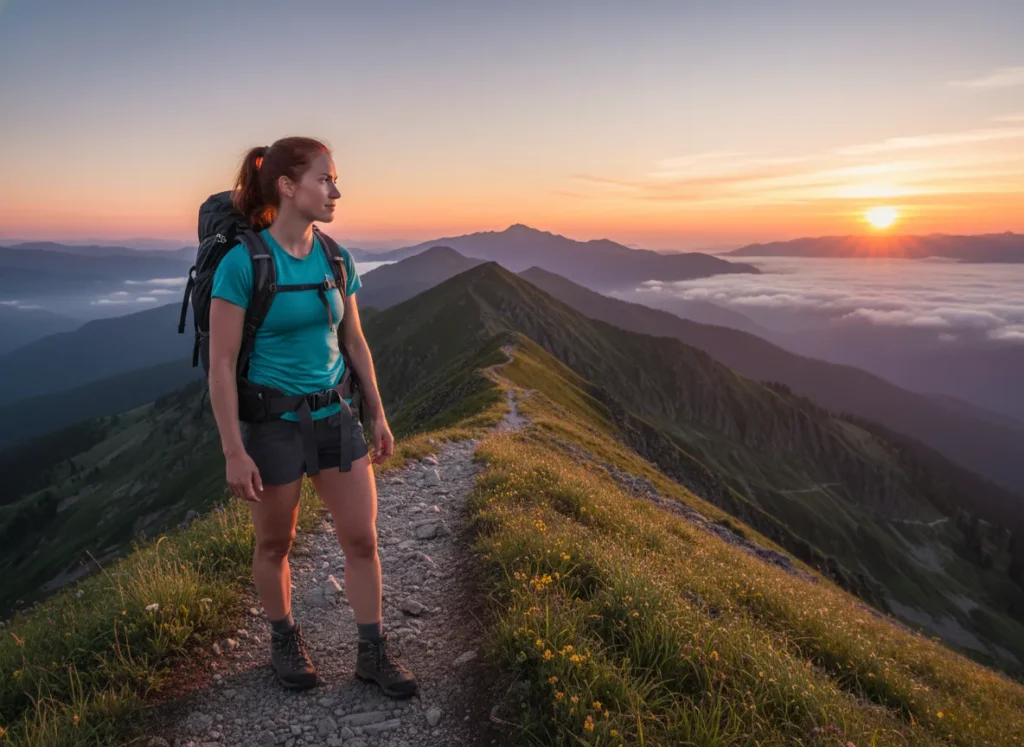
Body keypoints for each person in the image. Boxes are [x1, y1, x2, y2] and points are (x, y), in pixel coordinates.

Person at [206, 136, 417, 698]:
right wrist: (234, 449)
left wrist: (377, 413)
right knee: (276, 544)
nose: (336, 191)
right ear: (286, 186)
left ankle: (372, 652)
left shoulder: (335, 258)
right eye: (325, 179)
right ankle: (283, 638)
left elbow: (355, 341)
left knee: (362, 540)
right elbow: (221, 365)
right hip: (272, 425)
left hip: (335, 415)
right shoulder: (242, 263)